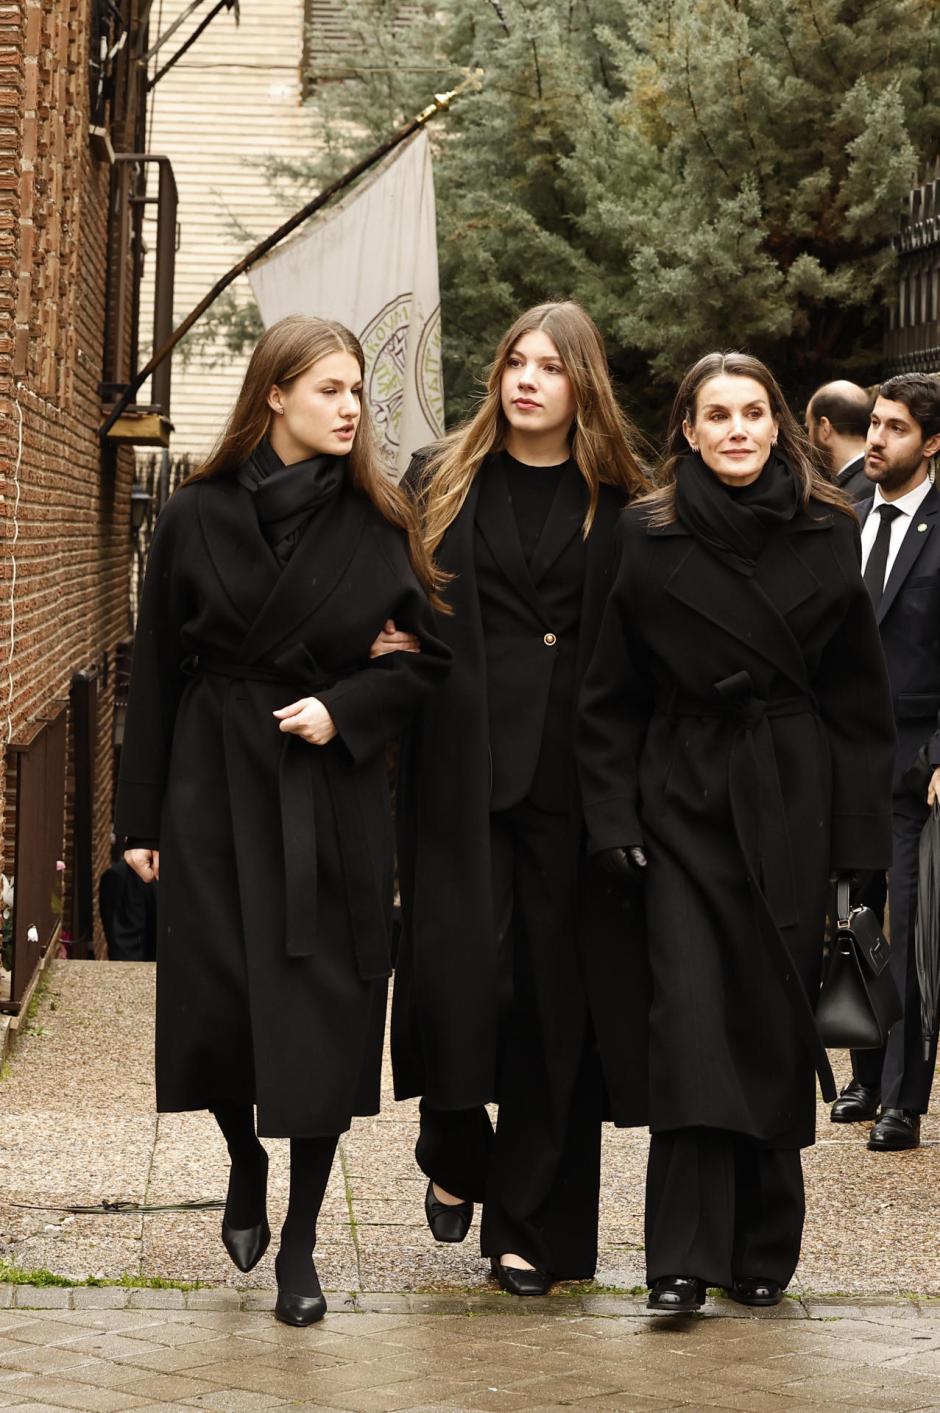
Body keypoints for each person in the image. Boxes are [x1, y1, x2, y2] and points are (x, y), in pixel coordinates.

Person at [115, 315, 449, 1326]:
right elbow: (154, 669)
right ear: (275, 394)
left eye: (356, 390)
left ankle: (301, 1237)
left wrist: (345, 708)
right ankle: (242, 1156)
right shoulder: (196, 513)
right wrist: (139, 820)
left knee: (322, 1018)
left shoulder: (379, 521)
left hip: (325, 793)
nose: (351, 408)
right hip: (213, 780)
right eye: (329, 389)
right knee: (214, 1003)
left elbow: (427, 665)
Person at [579, 351, 895, 1314]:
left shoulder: (829, 527)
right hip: (684, 798)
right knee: (688, 1021)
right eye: (717, 415)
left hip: (790, 798)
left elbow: (858, 700)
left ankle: (763, 1242)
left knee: (768, 1019)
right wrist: (613, 816)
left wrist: (859, 847)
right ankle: (679, 1255)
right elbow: (607, 694)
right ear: (687, 428)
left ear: (777, 424)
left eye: (753, 412)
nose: (737, 431)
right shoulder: (646, 533)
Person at [390, 301, 650, 1296]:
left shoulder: (623, 504)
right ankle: (454, 1144)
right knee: (456, 982)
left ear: (583, 385)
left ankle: (531, 1231)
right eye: (515, 362)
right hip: (457, 766)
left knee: (554, 1004)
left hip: (572, 781)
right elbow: (383, 584)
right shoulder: (438, 477)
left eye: (550, 366)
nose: (527, 379)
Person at [830, 372, 940, 1151]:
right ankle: (865, 1074)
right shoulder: (842, 512)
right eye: (874, 422)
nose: (875, 438)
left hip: (914, 760)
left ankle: (904, 1096)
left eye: (896, 427)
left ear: (932, 443)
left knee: (907, 931)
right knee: (850, 918)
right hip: (840, 756)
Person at [806, 381, 872, 500]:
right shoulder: (882, 481)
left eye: (809, 428)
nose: (808, 440)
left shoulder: (850, 498)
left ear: (825, 428)